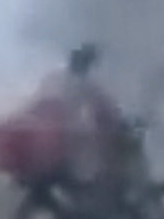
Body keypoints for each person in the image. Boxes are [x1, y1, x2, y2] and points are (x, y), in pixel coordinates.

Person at [39, 43, 129, 192]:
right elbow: (106, 106)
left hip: (49, 139)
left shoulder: (53, 77)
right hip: (70, 141)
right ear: (87, 64)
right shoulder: (85, 83)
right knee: (104, 159)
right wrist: (119, 120)